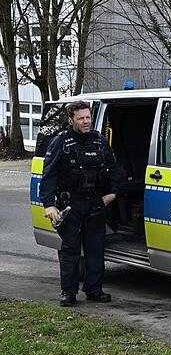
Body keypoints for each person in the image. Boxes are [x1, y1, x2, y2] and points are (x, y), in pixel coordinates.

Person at [40, 100, 121, 307]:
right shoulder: (60, 142)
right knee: (70, 251)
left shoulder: (100, 141)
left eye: (88, 117)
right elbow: (48, 176)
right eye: (81, 118)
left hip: (95, 204)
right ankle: (68, 292)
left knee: (95, 250)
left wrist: (112, 193)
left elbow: (113, 169)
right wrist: (49, 205)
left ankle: (94, 290)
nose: (86, 122)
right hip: (71, 205)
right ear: (71, 120)